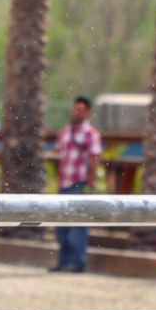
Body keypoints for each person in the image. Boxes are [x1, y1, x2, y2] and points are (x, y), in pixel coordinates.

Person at [52, 96, 105, 273]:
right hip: (64, 183)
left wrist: (89, 186)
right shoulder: (65, 132)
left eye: (81, 110)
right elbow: (57, 153)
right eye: (75, 109)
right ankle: (63, 261)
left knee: (78, 226)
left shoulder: (91, 134)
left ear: (88, 113)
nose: (77, 113)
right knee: (61, 226)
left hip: (80, 184)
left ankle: (77, 263)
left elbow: (94, 159)